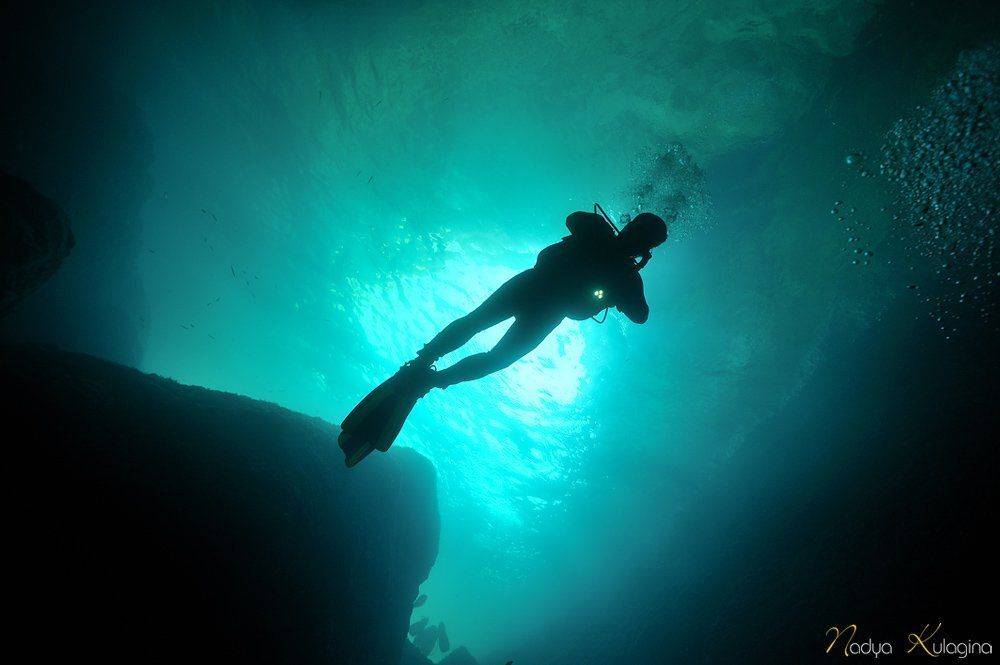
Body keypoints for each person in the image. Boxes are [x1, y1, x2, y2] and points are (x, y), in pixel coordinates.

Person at [409, 210, 667, 390]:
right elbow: (573, 219)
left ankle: (432, 379)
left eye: (644, 238)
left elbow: (640, 315)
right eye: (637, 230)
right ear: (630, 226)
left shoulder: (627, 276)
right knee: (478, 327)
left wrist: (623, 290)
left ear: (647, 247)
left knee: (494, 350)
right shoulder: (606, 241)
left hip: (546, 306)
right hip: (536, 290)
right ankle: (424, 363)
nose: (635, 237)